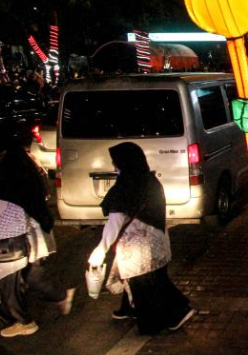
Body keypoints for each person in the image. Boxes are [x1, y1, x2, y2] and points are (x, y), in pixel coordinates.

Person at [88, 142, 194, 335]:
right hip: (158, 241)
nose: (114, 167)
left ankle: (173, 315)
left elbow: (115, 223)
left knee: (145, 286)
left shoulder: (125, 187)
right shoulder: (150, 181)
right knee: (155, 280)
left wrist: (100, 250)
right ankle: (128, 309)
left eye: (116, 163)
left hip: (138, 250)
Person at [0, 140, 74, 338]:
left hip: (20, 237)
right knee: (28, 276)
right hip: (31, 233)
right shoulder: (27, 170)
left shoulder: (10, 179)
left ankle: (24, 321)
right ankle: (59, 297)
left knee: (16, 280)